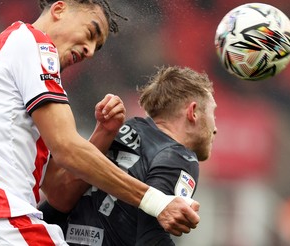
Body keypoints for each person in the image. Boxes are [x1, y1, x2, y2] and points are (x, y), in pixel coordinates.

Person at [0, 1, 200, 245]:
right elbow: (67, 148)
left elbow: (59, 193)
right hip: (4, 229)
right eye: (91, 32)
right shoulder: (32, 43)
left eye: (97, 47)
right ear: (60, 9)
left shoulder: (10, 56)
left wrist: (103, 134)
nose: (89, 50)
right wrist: (157, 202)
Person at [40, 65, 217, 245]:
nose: (215, 129)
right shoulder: (179, 157)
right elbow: (151, 239)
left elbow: (56, 203)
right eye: (213, 113)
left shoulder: (117, 130)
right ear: (193, 112)